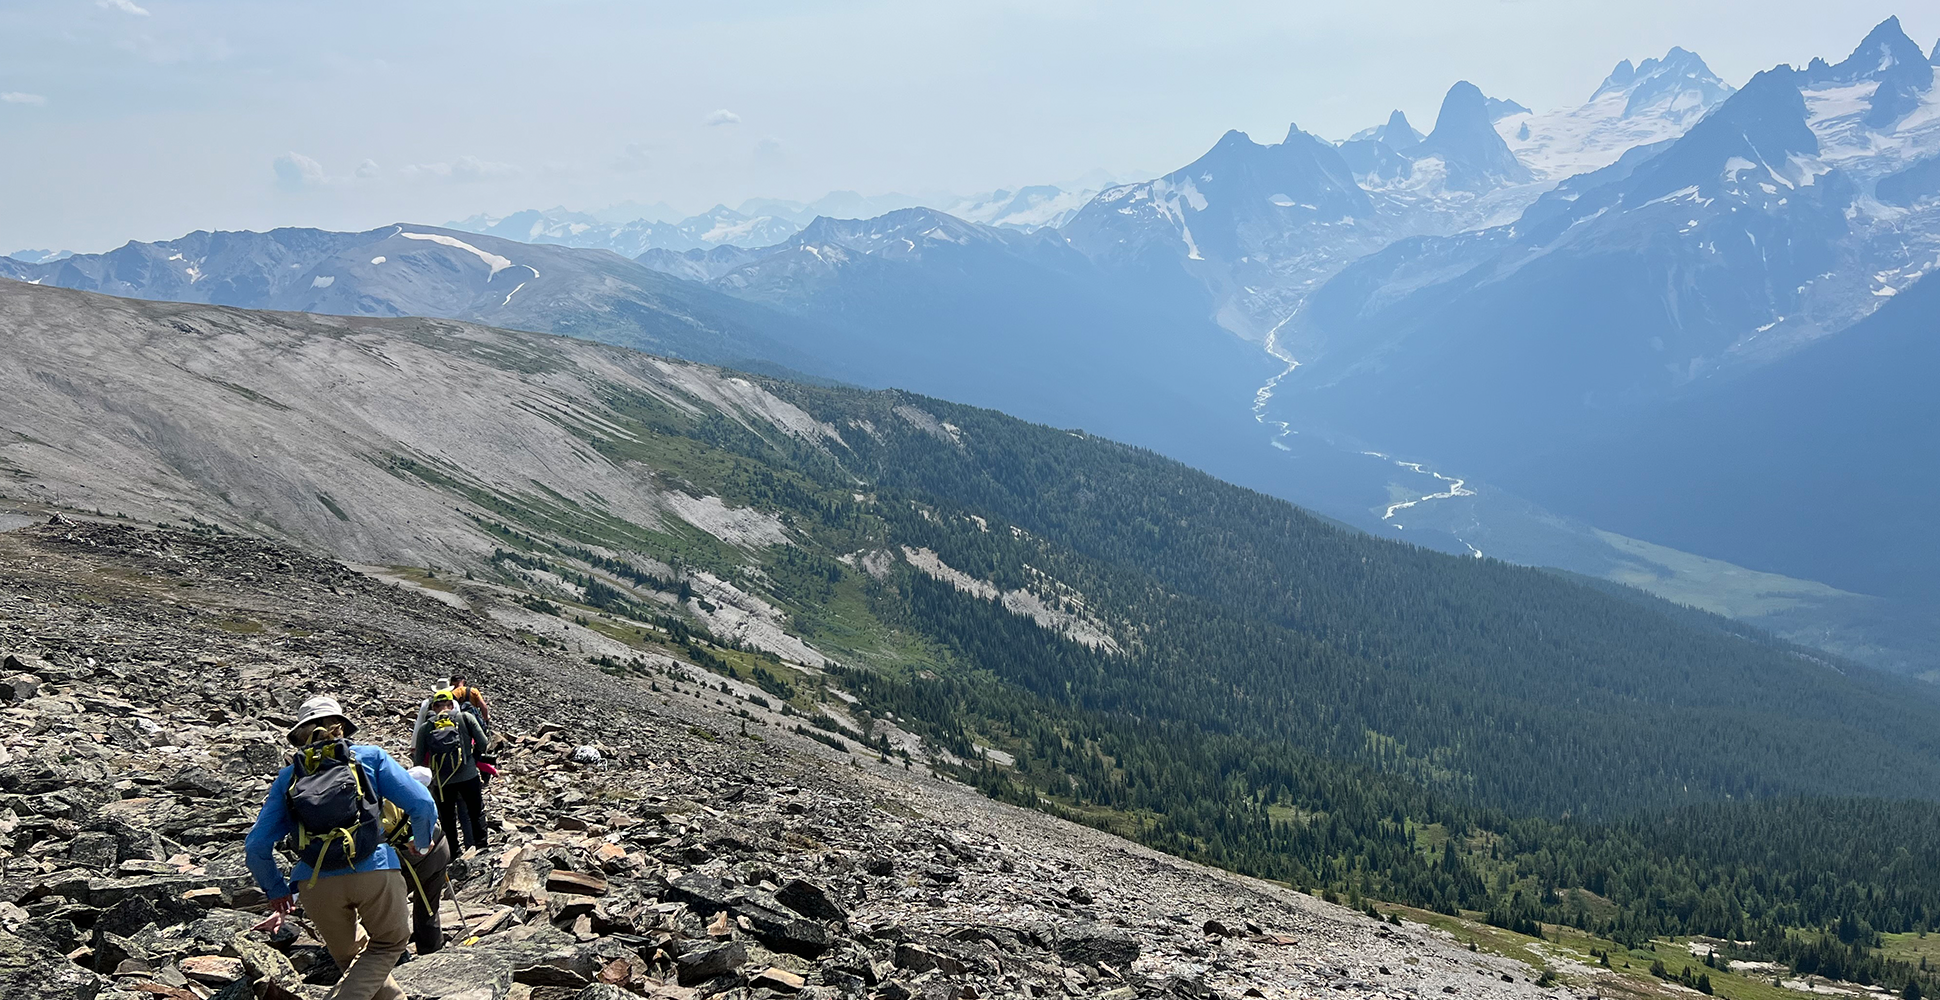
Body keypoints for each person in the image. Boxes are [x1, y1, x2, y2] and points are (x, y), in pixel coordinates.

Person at [245, 695, 438, 1000]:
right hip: (374, 869)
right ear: (343, 728)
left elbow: (256, 844)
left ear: (300, 734)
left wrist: (277, 890)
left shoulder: (288, 777)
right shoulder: (370, 757)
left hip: (315, 880)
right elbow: (423, 804)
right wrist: (422, 841)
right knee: (388, 944)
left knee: (356, 960)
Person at [384, 766, 451, 955]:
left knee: (387, 908)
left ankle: (394, 953)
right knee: (428, 907)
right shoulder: (417, 793)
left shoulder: (381, 800)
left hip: (409, 860)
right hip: (439, 846)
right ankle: (431, 950)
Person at [414, 689, 490, 851]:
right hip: (468, 775)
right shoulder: (465, 718)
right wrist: (472, 758)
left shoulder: (426, 728)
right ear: (451, 705)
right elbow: (484, 743)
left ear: (434, 707)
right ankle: (482, 847)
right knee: (476, 812)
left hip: (442, 782)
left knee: (448, 818)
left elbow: (418, 761)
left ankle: (454, 852)